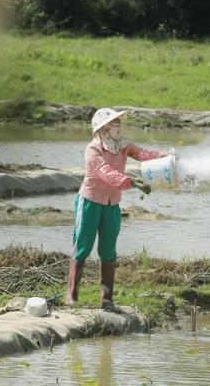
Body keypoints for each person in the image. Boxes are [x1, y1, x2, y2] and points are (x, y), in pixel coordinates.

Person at [67, 107, 167, 310]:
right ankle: (72, 296)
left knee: (108, 249)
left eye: (119, 122)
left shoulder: (123, 145)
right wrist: (131, 181)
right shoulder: (93, 149)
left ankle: (106, 300)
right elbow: (105, 172)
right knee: (83, 247)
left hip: (112, 204)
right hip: (90, 202)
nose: (119, 126)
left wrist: (165, 156)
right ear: (104, 128)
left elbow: (143, 154)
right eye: (115, 123)